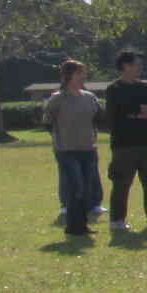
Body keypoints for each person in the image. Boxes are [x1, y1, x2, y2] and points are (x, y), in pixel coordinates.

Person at [103, 49, 147, 232]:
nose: (140, 68)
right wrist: (138, 113)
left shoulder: (146, 88)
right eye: (137, 64)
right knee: (121, 183)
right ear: (125, 66)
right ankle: (117, 220)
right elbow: (114, 115)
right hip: (124, 145)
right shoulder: (113, 90)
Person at [43, 59, 102, 238]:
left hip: (88, 149)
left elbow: (98, 118)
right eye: (79, 73)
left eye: (83, 73)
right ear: (68, 75)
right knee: (75, 187)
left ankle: (81, 225)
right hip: (67, 150)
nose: (83, 76)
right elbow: (47, 122)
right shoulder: (57, 99)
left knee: (87, 188)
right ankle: (73, 225)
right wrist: (60, 138)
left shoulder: (90, 97)